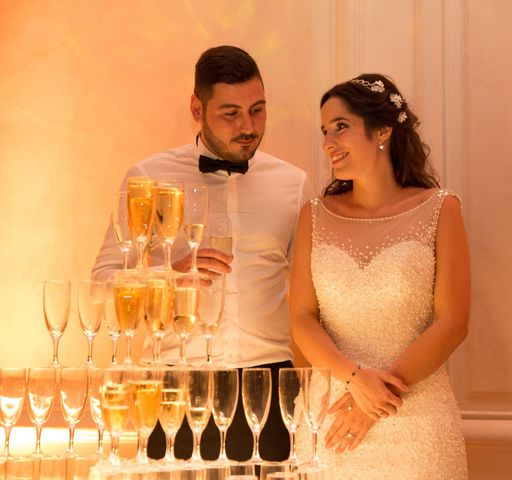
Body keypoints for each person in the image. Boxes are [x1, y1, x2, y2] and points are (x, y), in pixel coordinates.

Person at [92, 46, 312, 461]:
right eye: (230, 113)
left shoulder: (294, 183)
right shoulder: (149, 178)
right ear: (197, 108)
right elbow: (101, 284)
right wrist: (169, 275)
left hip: (268, 387)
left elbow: (314, 294)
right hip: (175, 385)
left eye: (258, 110)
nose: (248, 126)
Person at [289, 74, 469, 479]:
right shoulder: (314, 216)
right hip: (330, 419)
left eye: (341, 127)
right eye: (324, 131)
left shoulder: (442, 209)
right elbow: (301, 317)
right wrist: (353, 380)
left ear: (383, 129)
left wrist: (376, 396)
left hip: (416, 416)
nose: (327, 142)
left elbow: (453, 322)